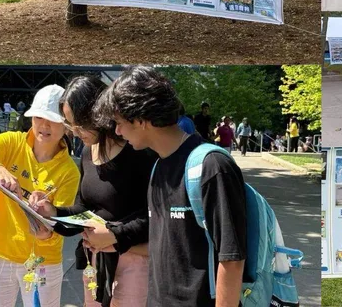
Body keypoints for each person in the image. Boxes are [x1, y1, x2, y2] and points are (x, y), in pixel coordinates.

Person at [95, 66, 246, 307]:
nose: (117, 131)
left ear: (142, 119)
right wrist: (113, 240)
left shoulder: (212, 166)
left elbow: (232, 259)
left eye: (120, 122)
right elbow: (164, 246)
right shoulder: (158, 167)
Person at [29, 76, 156, 307]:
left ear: (97, 115)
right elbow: (83, 209)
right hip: (96, 260)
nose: (74, 133)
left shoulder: (138, 151)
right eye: (69, 125)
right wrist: (51, 213)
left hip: (134, 260)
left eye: (77, 124)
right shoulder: (88, 153)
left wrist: (115, 236)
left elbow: (155, 214)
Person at [0, 85, 80, 307]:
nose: (44, 126)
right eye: (39, 117)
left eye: (53, 120)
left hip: (42, 261)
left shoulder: (69, 171)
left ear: (66, 126)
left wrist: (46, 230)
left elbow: (61, 223)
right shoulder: (11, 142)